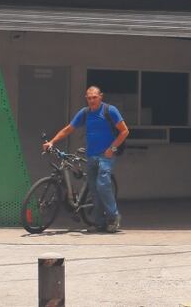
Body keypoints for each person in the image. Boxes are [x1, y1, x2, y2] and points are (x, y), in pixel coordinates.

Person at [43, 85, 129, 233]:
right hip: (91, 155)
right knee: (94, 190)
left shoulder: (110, 110)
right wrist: (52, 141)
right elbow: (68, 129)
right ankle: (99, 222)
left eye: (94, 97)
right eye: (89, 98)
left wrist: (112, 149)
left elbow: (124, 131)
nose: (92, 101)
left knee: (102, 184)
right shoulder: (85, 113)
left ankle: (114, 217)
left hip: (106, 155)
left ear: (100, 96)